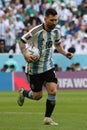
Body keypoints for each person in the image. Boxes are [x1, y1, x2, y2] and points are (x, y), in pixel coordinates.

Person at [17, 8, 73, 125]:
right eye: (51, 20)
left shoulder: (56, 32)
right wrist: (25, 54)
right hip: (34, 68)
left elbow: (57, 45)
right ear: (45, 19)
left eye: (56, 20)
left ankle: (47, 118)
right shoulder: (35, 31)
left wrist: (65, 53)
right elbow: (21, 41)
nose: (54, 23)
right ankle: (23, 93)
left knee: (52, 91)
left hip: (48, 66)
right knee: (37, 96)